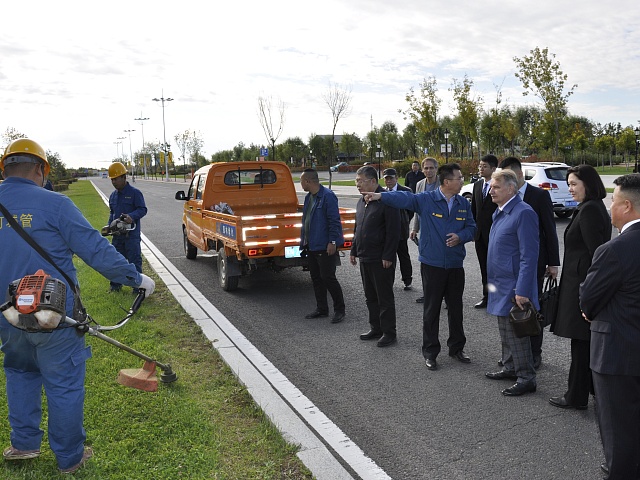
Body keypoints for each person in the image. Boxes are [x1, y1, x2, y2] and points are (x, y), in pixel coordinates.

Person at [0, 139, 155, 474]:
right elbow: (96, 251)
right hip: (54, 315)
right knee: (63, 382)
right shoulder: (55, 205)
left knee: (20, 372)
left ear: (4, 168)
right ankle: (70, 457)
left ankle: (24, 444)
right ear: (41, 169)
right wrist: (136, 278)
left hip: (8, 315)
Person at [364, 163, 476, 370]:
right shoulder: (427, 200)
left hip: (454, 264)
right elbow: (405, 198)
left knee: (456, 309)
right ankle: (431, 352)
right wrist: (381, 196)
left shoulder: (463, 203)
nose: (463, 181)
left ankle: (457, 348)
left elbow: (472, 227)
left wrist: (461, 236)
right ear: (447, 182)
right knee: (431, 310)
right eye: (459, 178)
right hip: (432, 265)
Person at [580, 174, 640, 478]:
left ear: (627, 206)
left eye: (613, 201)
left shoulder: (614, 250)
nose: (610, 208)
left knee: (618, 437)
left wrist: (589, 310)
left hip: (617, 356)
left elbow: (588, 300)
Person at [549, 165, 610, 410]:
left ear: (589, 184)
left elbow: (598, 255)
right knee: (584, 343)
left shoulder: (590, 211)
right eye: (569, 184)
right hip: (580, 284)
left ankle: (575, 397)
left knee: (581, 343)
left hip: (582, 287)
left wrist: (589, 292)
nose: (570, 189)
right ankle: (591, 390)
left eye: (574, 184)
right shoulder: (589, 208)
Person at [500, 157, 559, 369]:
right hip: (510, 265)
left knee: (531, 308)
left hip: (533, 262)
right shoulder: (503, 198)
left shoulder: (539, 195)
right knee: (511, 310)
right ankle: (515, 354)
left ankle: (534, 353)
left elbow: (549, 230)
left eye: (504, 176)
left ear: (516, 175)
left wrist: (553, 263)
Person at [485, 169, 539, 396]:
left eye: (495, 187)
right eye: (490, 187)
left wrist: (523, 289)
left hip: (514, 286)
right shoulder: (501, 211)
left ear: (511, 188)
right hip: (500, 284)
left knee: (517, 333)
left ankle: (526, 377)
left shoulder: (523, 213)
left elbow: (529, 255)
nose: (490, 191)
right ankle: (509, 367)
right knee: (505, 331)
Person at [350, 166, 400, 347]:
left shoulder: (387, 201)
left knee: (384, 297)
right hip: (365, 256)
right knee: (370, 296)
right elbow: (359, 228)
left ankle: (389, 332)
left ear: (373, 181)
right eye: (356, 181)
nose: (357, 184)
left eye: (360, 180)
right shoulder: (361, 201)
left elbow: (393, 231)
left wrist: (388, 255)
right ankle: (375, 327)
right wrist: (354, 250)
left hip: (381, 258)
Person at [300, 169, 346, 324]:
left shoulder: (327, 196)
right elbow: (306, 220)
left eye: (301, 181)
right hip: (311, 245)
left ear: (308, 181)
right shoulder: (308, 198)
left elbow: (334, 220)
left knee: (328, 278)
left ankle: (339, 309)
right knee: (316, 278)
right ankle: (322, 309)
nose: (301, 184)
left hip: (325, 245)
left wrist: (332, 241)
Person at [107, 161, 148, 292]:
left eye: (116, 179)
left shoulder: (135, 193)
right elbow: (112, 213)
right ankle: (115, 286)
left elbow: (143, 209)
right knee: (116, 261)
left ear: (124, 177)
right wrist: (109, 227)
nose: (114, 182)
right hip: (118, 236)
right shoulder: (113, 196)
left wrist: (132, 216)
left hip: (131, 235)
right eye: (112, 180)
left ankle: (137, 288)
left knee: (134, 261)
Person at [410, 157, 440, 303]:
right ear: (422, 170)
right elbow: (417, 208)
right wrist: (415, 228)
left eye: (431, 168)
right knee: (425, 264)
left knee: (440, 264)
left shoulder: (443, 184)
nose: (428, 171)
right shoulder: (419, 184)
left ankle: (443, 295)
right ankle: (427, 293)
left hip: (440, 231)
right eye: (426, 168)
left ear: (436, 169)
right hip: (425, 232)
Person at [470, 154, 498, 309]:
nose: (481, 168)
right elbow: (474, 210)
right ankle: (487, 296)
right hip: (480, 235)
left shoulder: (499, 186)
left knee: (496, 267)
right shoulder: (477, 185)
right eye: (480, 166)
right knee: (484, 267)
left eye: (484, 166)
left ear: (493, 168)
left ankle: (498, 297)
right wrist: (473, 230)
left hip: (495, 234)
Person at [383, 168, 413, 290]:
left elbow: (411, 210)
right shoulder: (383, 193)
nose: (389, 181)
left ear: (396, 178)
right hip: (387, 231)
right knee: (388, 256)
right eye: (386, 179)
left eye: (391, 178)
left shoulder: (405, 191)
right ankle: (388, 281)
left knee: (403, 255)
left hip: (401, 230)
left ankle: (407, 280)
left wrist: (405, 221)